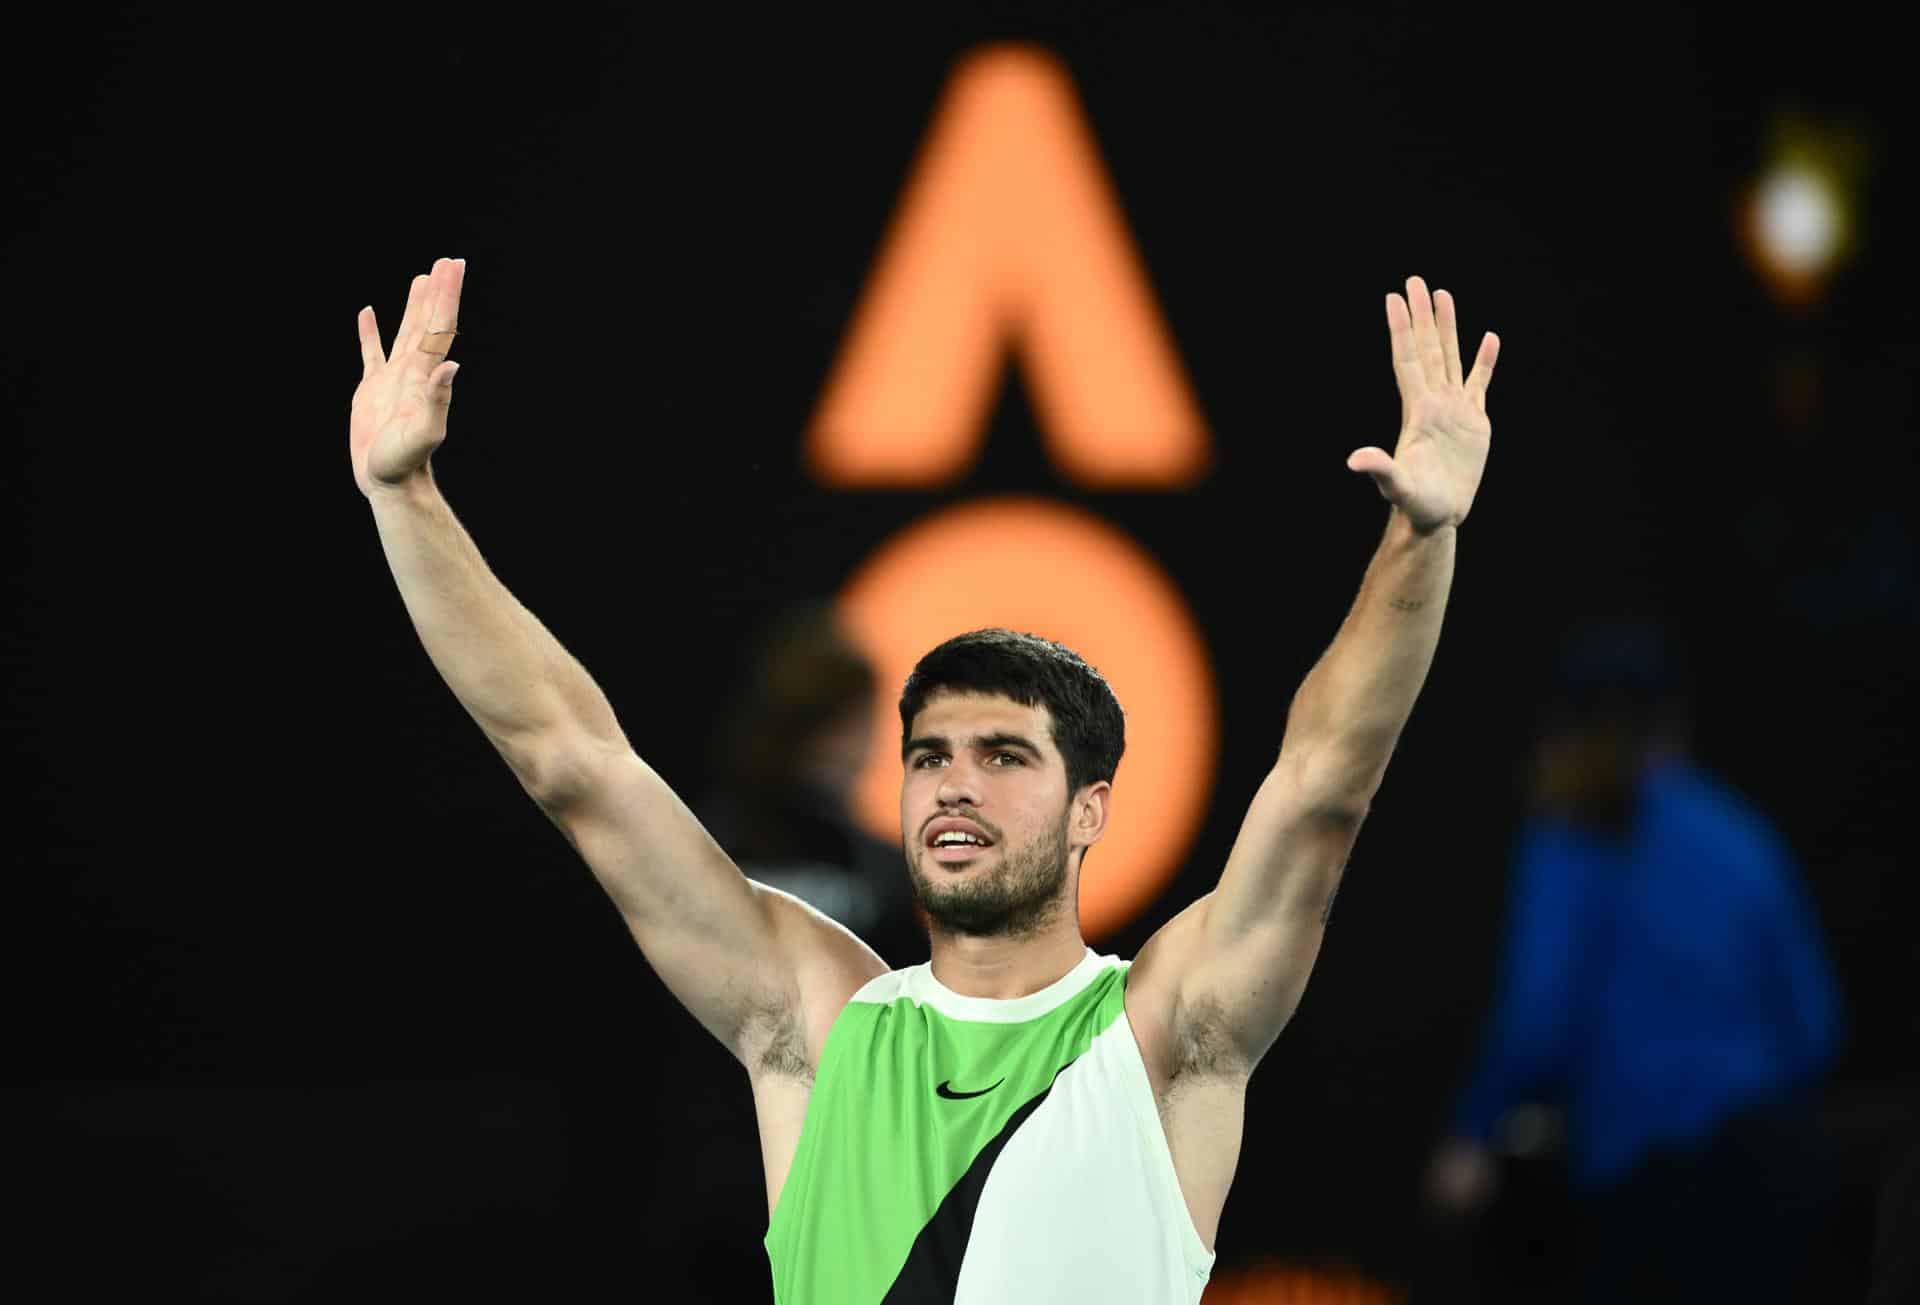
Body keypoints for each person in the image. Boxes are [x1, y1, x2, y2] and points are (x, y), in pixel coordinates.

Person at [349, 258, 1500, 1303]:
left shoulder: (1168, 1031)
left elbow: (1323, 783)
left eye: (1004, 756)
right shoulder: (814, 1020)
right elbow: (574, 762)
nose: (954, 785)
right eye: (929, 757)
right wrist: (406, 500)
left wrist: (1423, 538)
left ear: (1092, 809)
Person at [1425, 620, 1844, 1303]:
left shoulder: (1574, 832)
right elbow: (1816, 1026)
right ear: (1675, 721)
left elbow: (1540, 1017)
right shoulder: (1742, 836)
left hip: (1656, 1192)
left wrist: (1473, 1133)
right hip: (1777, 1176)